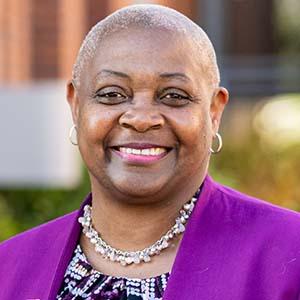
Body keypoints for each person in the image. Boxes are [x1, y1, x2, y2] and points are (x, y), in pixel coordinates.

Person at [1, 4, 300, 300]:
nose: (141, 119)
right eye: (112, 94)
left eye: (173, 96)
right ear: (77, 106)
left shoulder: (289, 254)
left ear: (213, 112)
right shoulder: (9, 267)